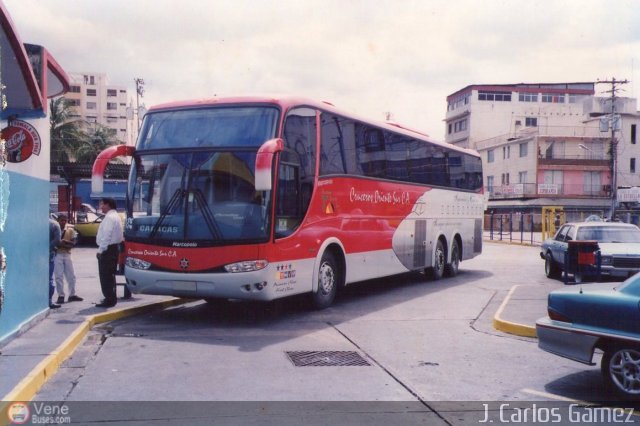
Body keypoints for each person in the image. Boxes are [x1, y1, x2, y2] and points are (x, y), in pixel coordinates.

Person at [95, 197, 123, 308]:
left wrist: (101, 250)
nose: (101, 207)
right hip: (113, 249)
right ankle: (111, 298)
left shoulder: (110, 218)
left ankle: (109, 299)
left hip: (108, 250)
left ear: (108, 205)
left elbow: (107, 235)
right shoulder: (115, 216)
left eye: (102, 204)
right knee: (110, 275)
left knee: (105, 276)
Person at [54, 214, 83, 304]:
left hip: (67, 254)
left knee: (71, 275)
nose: (63, 222)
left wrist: (64, 242)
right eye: (61, 220)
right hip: (57, 254)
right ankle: (61, 295)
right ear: (58, 221)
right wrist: (65, 244)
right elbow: (55, 243)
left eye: (64, 220)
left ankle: (72, 294)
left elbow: (74, 242)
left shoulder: (70, 230)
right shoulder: (55, 230)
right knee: (59, 276)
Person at [48, 217, 61, 309]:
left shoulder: (34, 221)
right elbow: (57, 240)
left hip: (35, 254)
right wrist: (48, 248)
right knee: (49, 278)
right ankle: (49, 301)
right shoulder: (54, 224)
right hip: (49, 254)